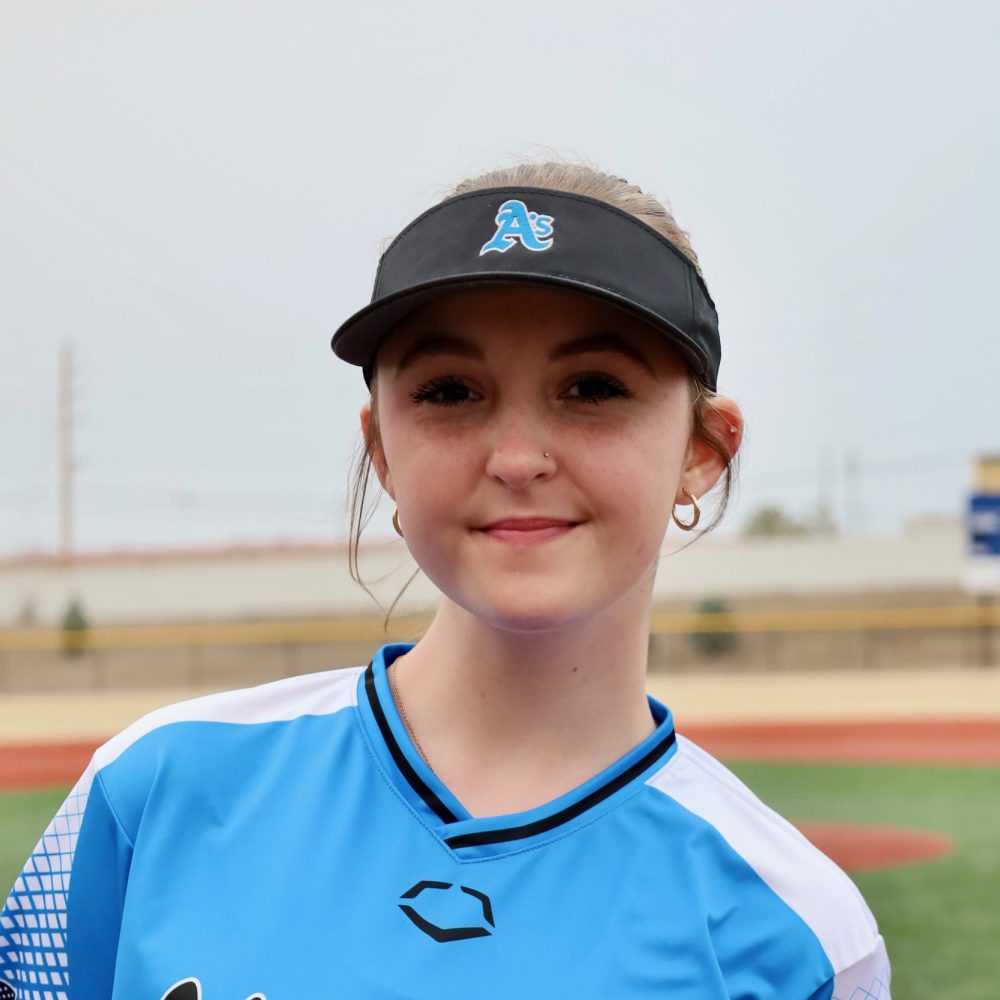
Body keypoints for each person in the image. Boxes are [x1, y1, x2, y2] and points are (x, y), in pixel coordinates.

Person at [0, 162, 890, 999]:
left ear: (702, 451)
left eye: (592, 386)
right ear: (381, 450)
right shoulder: (156, 788)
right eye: (450, 392)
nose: (517, 458)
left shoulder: (798, 934)